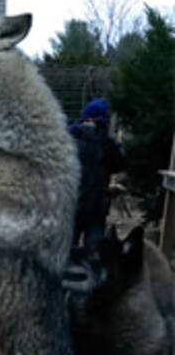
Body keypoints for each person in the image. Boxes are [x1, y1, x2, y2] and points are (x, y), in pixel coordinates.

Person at [69, 98, 125, 251]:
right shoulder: (107, 144)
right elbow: (120, 164)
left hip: (71, 205)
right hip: (97, 208)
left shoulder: (71, 137)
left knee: (65, 252)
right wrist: (117, 145)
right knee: (94, 255)